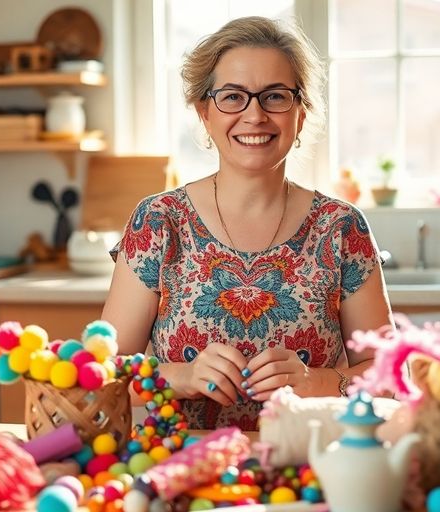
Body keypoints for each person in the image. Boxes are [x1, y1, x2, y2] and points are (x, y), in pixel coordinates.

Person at [102, 16, 392, 430]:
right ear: (205, 111)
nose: (254, 115)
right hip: (181, 465)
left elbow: (390, 374)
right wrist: (180, 378)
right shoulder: (159, 222)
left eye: (275, 96)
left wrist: (317, 381)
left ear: (301, 113)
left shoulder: (341, 228)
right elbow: (98, 375)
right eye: (233, 97)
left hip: (308, 467)